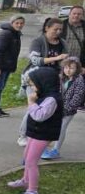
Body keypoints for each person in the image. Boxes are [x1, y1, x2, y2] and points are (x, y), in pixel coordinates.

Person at [8, 67, 62, 194]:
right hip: (36, 132)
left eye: (33, 84)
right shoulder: (43, 95)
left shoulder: (52, 99)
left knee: (31, 161)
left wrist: (31, 102)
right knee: (27, 156)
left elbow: (39, 116)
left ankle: (32, 191)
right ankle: (25, 180)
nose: (31, 87)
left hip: (44, 134)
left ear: (44, 82)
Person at [17, 18, 69, 146]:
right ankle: (23, 135)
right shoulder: (38, 41)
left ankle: (39, 135)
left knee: (46, 108)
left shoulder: (62, 43)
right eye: (55, 29)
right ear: (47, 28)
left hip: (52, 79)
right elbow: (35, 60)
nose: (58, 32)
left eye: (60, 30)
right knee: (33, 105)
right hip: (35, 78)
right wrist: (56, 57)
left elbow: (64, 62)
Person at [42, 57, 83, 160]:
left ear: (77, 69)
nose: (68, 70)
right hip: (56, 108)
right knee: (52, 127)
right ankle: (44, 146)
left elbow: (77, 99)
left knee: (61, 128)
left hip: (68, 111)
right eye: (66, 67)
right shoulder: (60, 77)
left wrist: (66, 110)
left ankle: (56, 150)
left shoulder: (79, 81)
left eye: (71, 68)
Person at [0, 15, 25, 118]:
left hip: (6, 66)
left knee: (0, 88)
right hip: (0, 66)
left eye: (21, 23)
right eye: (17, 23)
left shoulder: (15, 34)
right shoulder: (6, 34)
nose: (19, 25)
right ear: (12, 23)